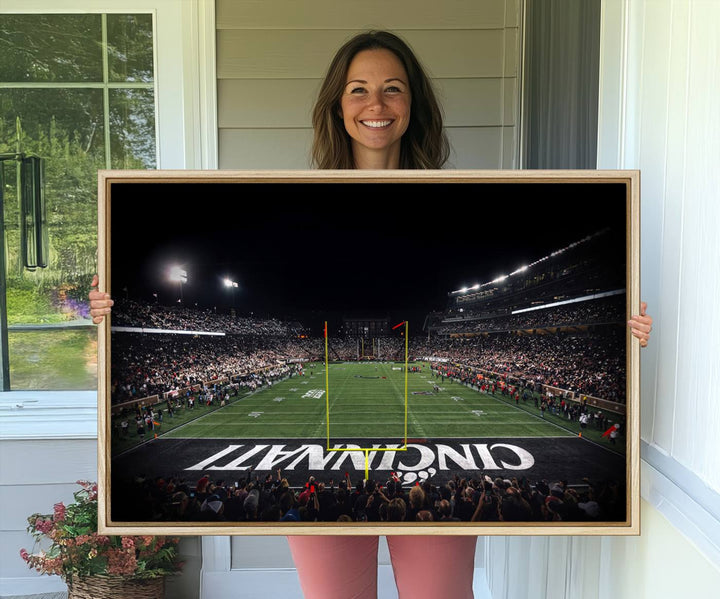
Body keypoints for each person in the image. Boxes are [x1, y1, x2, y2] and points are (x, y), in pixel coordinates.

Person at [90, 29, 654, 599]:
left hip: (432, 470)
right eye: (358, 89)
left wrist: (620, 333)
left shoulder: (457, 199)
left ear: (414, 104)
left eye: (393, 89)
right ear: (338, 104)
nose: (375, 104)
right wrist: (109, 316)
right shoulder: (297, 201)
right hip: (324, 473)